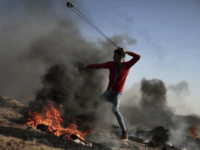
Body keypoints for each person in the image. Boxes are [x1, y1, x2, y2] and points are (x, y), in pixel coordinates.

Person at [79, 48, 141, 139]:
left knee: (115, 110)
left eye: (115, 55)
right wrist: (86, 67)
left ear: (120, 57)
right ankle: (85, 125)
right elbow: (99, 66)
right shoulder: (111, 64)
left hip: (117, 94)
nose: (113, 57)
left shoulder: (127, 65)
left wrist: (126, 52)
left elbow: (137, 57)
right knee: (95, 106)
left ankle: (124, 132)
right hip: (108, 92)